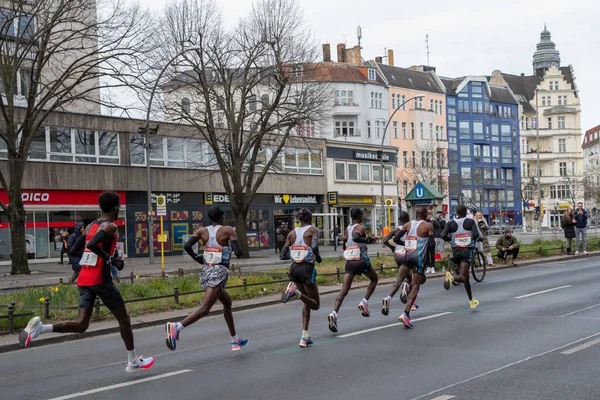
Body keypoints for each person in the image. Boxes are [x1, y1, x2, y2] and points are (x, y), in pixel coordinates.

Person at [19, 192, 154, 372]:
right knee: (124, 319)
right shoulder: (110, 226)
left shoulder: (91, 225)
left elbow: (75, 249)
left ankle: (41, 329)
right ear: (116, 207)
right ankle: (133, 361)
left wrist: (94, 259)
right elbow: (91, 246)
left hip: (85, 279)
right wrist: (110, 259)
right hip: (101, 280)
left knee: (82, 325)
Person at [165, 206, 248, 352]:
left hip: (207, 270)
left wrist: (197, 258)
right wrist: (233, 237)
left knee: (227, 303)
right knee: (204, 309)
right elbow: (239, 252)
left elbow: (187, 246)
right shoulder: (227, 230)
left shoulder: (201, 231)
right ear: (222, 217)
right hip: (219, 271)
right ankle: (177, 327)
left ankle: (235, 340)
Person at [327, 208, 378, 333]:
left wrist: (348, 244)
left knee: (344, 290)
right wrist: (367, 240)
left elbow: (344, 245)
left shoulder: (347, 229)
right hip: (361, 260)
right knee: (374, 279)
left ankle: (334, 313)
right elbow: (356, 238)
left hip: (350, 262)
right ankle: (364, 302)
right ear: (360, 216)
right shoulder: (360, 228)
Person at [383, 206, 433, 328]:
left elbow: (395, 238)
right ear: (425, 214)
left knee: (399, 280)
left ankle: (389, 298)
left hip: (406, 256)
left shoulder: (407, 225)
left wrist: (406, 244)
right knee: (416, 285)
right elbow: (432, 244)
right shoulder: (428, 226)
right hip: (418, 258)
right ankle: (406, 314)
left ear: (416, 214)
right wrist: (431, 262)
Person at [279, 208, 322, 348]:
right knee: (315, 304)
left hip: (294, 269)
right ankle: (295, 293)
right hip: (307, 269)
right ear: (310, 218)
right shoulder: (313, 230)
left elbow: (283, 255)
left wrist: (295, 251)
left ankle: (304, 336)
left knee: (306, 303)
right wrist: (319, 258)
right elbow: (314, 248)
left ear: (299, 219)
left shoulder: (292, 233)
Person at [440, 204, 480, 309]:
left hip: (456, 251)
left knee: (466, 278)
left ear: (457, 212)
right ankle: (452, 278)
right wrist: (471, 240)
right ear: (465, 212)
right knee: (463, 276)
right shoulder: (470, 222)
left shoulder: (450, 223)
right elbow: (476, 234)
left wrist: (451, 240)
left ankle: (471, 301)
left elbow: (443, 235)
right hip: (466, 251)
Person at [381, 211, 418, 315]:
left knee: (407, 277)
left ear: (400, 219)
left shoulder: (395, 230)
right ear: (408, 219)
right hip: (407, 254)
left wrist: (392, 247)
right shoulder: (409, 228)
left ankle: (412, 303)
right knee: (414, 279)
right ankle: (391, 297)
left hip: (397, 255)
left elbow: (384, 241)